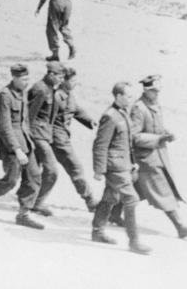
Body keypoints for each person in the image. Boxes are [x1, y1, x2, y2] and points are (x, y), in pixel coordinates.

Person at [0, 64, 45, 230]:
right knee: (11, 180)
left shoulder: (22, 93)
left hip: (25, 141)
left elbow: (24, 120)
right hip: (9, 143)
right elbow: (5, 126)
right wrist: (17, 149)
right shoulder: (4, 96)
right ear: (14, 78)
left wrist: (29, 142)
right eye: (23, 79)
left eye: (28, 78)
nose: (27, 82)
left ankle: (23, 214)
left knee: (34, 177)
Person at [130, 75, 187, 239]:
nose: (157, 94)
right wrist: (159, 139)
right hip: (146, 158)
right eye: (154, 91)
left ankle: (111, 211)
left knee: (136, 190)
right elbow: (135, 137)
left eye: (158, 91)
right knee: (162, 190)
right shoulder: (139, 108)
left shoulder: (155, 105)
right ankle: (180, 226)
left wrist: (166, 133)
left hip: (158, 155)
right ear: (146, 91)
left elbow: (156, 127)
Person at [91, 81, 151, 254]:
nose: (131, 99)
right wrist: (99, 169)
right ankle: (134, 242)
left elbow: (126, 143)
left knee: (110, 197)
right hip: (114, 167)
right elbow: (100, 145)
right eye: (128, 96)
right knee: (131, 199)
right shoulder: (110, 116)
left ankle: (97, 231)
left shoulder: (123, 113)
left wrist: (132, 162)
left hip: (123, 164)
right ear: (118, 96)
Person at [49, 66, 98, 211]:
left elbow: (75, 109)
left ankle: (31, 198)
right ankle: (90, 200)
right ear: (63, 80)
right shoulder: (56, 96)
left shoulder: (68, 94)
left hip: (61, 136)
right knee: (75, 168)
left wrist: (90, 121)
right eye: (73, 81)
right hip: (57, 138)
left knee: (44, 171)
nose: (76, 83)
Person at [27, 61, 65, 217]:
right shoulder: (40, 89)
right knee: (52, 171)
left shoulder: (50, 89)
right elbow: (29, 115)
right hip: (37, 135)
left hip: (45, 135)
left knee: (35, 172)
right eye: (60, 76)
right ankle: (36, 203)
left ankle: (32, 201)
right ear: (51, 74)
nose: (61, 80)